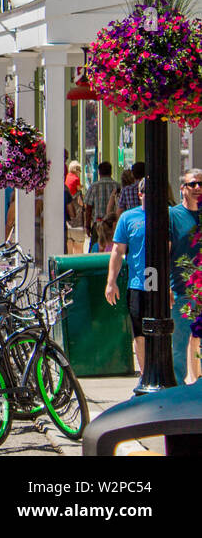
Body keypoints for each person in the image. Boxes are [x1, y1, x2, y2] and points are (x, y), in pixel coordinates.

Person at [106, 178, 151, 384]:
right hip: (138, 283)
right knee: (140, 331)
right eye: (146, 191)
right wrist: (111, 282)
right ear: (140, 194)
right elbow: (117, 250)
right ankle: (145, 374)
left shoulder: (167, 215)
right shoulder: (128, 218)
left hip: (163, 282)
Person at [170, 169, 202, 385]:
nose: (198, 188)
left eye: (201, 184)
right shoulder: (173, 216)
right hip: (182, 292)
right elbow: (163, 253)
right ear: (183, 188)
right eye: (193, 184)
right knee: (179, 346)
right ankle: (179, 392)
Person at [85, 161, 120, 253]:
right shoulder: (117, 186)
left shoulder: (93, 186)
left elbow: (88, 208)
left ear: (99, 172)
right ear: (111, 172)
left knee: (95, 253)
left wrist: (87, 226)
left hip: (98, 224)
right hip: (113, 225)